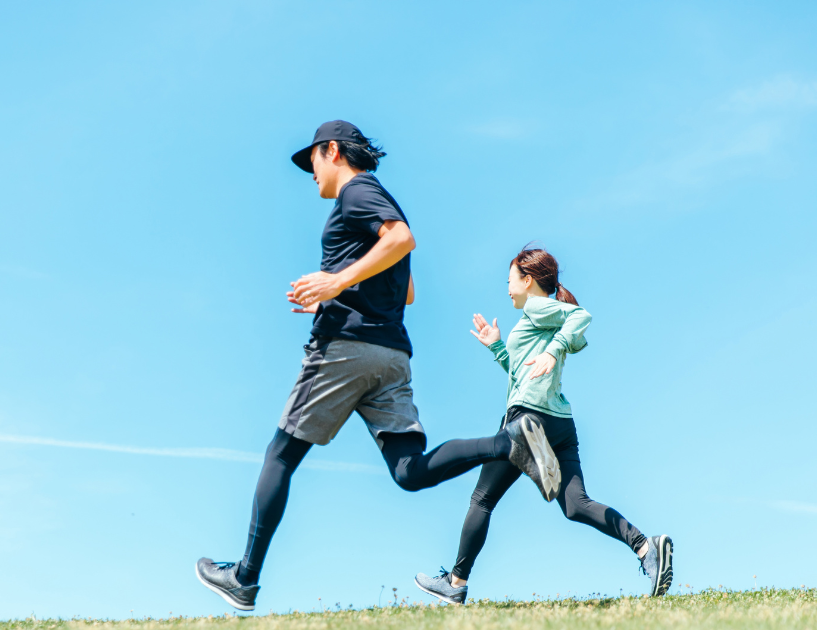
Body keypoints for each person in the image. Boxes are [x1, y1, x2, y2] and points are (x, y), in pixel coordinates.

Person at [194, 121, 561, 611]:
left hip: (343, 349)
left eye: (314, 162)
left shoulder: (358, 193)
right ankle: (508, 442)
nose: (311, 175)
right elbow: (405, 289)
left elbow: (402, 239)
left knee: (280, 455)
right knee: (409, 471)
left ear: (333, 151)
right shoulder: (378, 202)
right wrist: (338, 290)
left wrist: (333, 284)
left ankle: (244, 576)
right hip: (391, 355)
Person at [413, 247, 674, 605]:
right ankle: (646, 547)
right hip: (559, 423)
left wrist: (553, 351)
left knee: (482, 498)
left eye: (509, 280)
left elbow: (581, 316)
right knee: (575, 504)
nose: (507, 288)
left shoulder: (539, 307)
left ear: (527, 280)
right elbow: (525, 374)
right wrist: (498, 349)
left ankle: (455, 582)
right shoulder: (538, 319)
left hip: (527, 419)